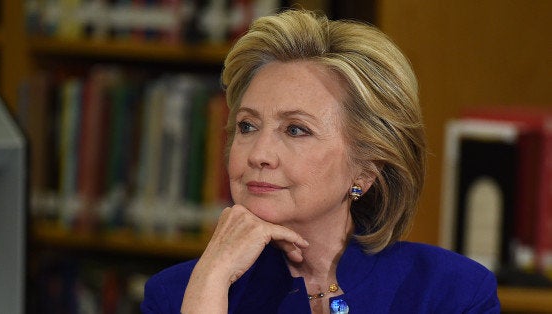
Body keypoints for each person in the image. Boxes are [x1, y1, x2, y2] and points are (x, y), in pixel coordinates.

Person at [141, 9, 500, 314]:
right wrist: (212, 279)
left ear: (366, 168)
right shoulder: (180, 294)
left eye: (296, 130)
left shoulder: (450, 293)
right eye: (247, 126)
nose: (258, 154)